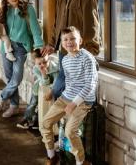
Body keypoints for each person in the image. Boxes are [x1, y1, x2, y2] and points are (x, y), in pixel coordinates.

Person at [42, 0, 101, 100]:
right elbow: (58, 22)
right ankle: (54, 116)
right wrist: (52, 44)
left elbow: (92, 25)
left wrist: (88, 53)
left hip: (79, 51)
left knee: (68, 89)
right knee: (64, 84)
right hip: (64, 49)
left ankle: (50, 116)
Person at [41, 26, 98, 165]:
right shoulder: (65, 60)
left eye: (73, 38)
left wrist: (74, 104)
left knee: (70, 132)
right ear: (62, 42)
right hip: (66, 97)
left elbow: (90, 85)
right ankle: (52, 157)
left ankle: (81, 161)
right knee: (45, 124)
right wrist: (54, 93)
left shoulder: (87, 58)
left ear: (80, 40)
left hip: (83, 101)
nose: (69, 42)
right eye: (65, 39)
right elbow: (67, 81)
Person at [0, 0, 44, 118]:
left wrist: (39, 45)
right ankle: (14, 106)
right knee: (9, 77)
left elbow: (35, 29)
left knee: (16, 78)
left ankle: (2, 95)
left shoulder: (28, 8)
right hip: (6, 47)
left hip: (20, 48)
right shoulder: (5, 10)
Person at [16, 48, 59, 129]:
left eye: (45, 62)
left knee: (44, 105)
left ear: (48, 58)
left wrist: (50, 88)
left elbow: (56, 83)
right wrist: (44, 74)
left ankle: (37, 122)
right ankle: (27, 119)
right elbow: (44, 83)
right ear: (35, 63)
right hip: (38, 89)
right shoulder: (36, 69)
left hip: (51, 90)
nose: (42, 65)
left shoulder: (55, 68)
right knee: (33, 104)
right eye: (39, 64)